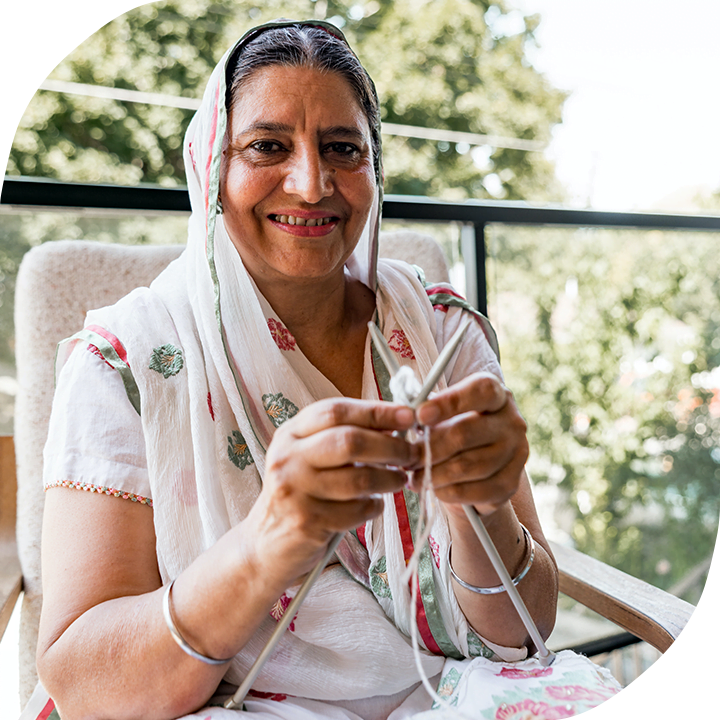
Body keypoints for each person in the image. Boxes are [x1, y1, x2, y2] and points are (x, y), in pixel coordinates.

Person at [33, 19, 562, 720]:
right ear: (210, 166)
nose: (312, 184)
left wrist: (482, 508)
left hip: (450, 695)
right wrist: (267, 540)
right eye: (267, 146)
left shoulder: (440, 333)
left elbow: (525, 630)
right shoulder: (127, 365)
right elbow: (83, 687)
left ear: (375, 171)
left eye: (343, 149)